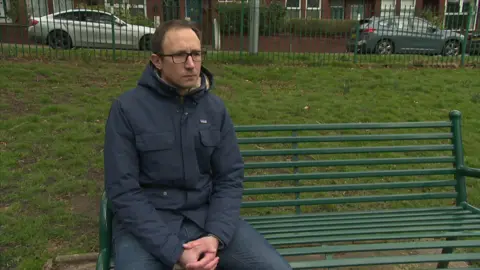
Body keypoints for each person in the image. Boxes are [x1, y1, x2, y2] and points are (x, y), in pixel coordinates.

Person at [103, 19, 293, 270]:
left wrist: (215, 236)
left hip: (207, 220)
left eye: (196, 54)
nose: (191, 64)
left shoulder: (215, 110)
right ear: (157, 61)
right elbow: (123, 191)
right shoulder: (127, 110)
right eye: (180, 55)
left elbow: (230, 177)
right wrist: (173, 251)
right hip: (147, 227)